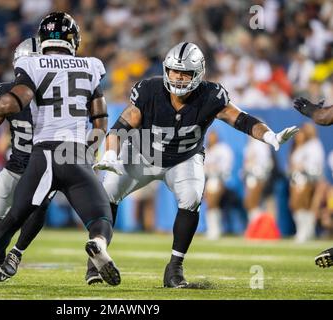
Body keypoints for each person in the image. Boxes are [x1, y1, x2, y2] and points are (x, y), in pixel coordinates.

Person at [93, 41, 298, 288]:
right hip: (142, 155)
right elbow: (121, 127)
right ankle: (95, 260)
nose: (178, 78)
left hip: (183, 159)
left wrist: (269, 136)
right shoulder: (149, 90)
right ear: (165, 70)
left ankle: (175, 269)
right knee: (108, 194)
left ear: (198, 74)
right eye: (174, 71)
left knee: (191, 197)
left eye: (185, 73)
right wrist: (110, 155)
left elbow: (241, 119)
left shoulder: (211, 95)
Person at [0, 12, 120, 290]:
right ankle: (98, 243)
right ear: (73, 39)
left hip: (43, 154)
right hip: (75, 154)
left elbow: (13, 102)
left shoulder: (33, 63)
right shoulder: (91, 65)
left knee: (13, 218)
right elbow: (100, 117)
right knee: (101, 217)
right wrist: (92, 150)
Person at [0, 38, 52, 283]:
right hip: (16, 164)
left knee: (38, 208)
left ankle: (16, 255)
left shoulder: (57, 94)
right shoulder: (7, 93)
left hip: (44, 166)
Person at [293, 98, 333, 267]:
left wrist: (311, 110)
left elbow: (325, 117)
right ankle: (303, 231)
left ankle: (306, 232)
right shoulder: (300, 147)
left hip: (313, 179)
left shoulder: (313, 145)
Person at [203, 131, 233, 240]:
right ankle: (214, 229)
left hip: (218, 179)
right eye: (210, 136)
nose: (211, 138)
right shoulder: (207, 150)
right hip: (208, 179)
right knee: (210, 205)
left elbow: (226, 166)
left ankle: (215, 230)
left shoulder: (222, 149)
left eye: (213, 136)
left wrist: (222, 180)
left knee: (212, 204)